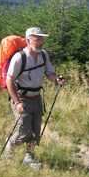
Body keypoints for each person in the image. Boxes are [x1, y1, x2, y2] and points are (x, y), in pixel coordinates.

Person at [5, 27, 66, 168]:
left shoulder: (43, 55)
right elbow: (9, 80)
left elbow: (49, 72)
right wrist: (17, 102)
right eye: (37, 40)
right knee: (24, 131)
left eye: (42, 39)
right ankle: (11, 142)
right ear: (28, 41)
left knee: (35, 131)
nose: (41, 42)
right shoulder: (19, 57)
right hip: (22, 99)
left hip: (37, 98)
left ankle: (29, 157)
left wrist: (57, 79)